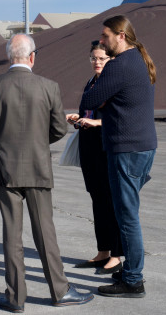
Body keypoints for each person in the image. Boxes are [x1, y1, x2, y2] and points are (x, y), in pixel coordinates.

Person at [0, 33, 94, 312]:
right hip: (39, 169)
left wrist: (3, 147)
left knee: (12, 235)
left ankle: (16, 298)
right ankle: (60, 291)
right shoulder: (48, 86)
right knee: (45, 232)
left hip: (6, 171)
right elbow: (59, 128)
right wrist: (38, 145)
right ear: (32, 57)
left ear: (9, 56)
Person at [80, 15, 157, 298]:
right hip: (142, 146)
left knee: (127, 216)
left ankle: (133, 279)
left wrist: (103, 98)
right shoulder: (139, 58)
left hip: (126, 149)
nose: (102, 41)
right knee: (127, 213)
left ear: (120, 35)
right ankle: (129, 271)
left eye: (105, 36)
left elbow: (88, 100)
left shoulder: (119, 65)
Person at [65, 41, 123, 275]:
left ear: (111, 60)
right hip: (89, 147)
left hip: (107, 147)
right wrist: (79, 118)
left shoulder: (115, 83)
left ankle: (118, 254)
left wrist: (97, 122)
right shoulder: (91, 82)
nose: (97, 62)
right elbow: (90, 111)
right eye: (93, 58)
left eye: (102, 58)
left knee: (113, 201)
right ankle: (103, 251)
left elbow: (122, 117)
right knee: (97, 200)